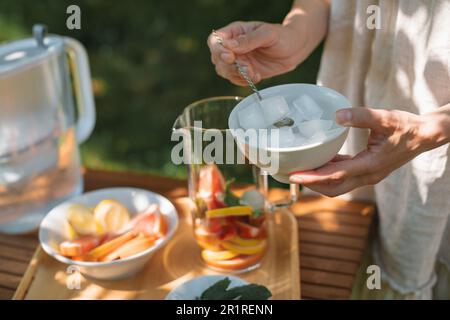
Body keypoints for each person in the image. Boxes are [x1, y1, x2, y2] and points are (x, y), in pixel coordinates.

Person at [208, 0, 450, 299]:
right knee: (346, 252)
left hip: (437, 146)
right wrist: (296, 34)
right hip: (353, 88)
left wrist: (434, 130)